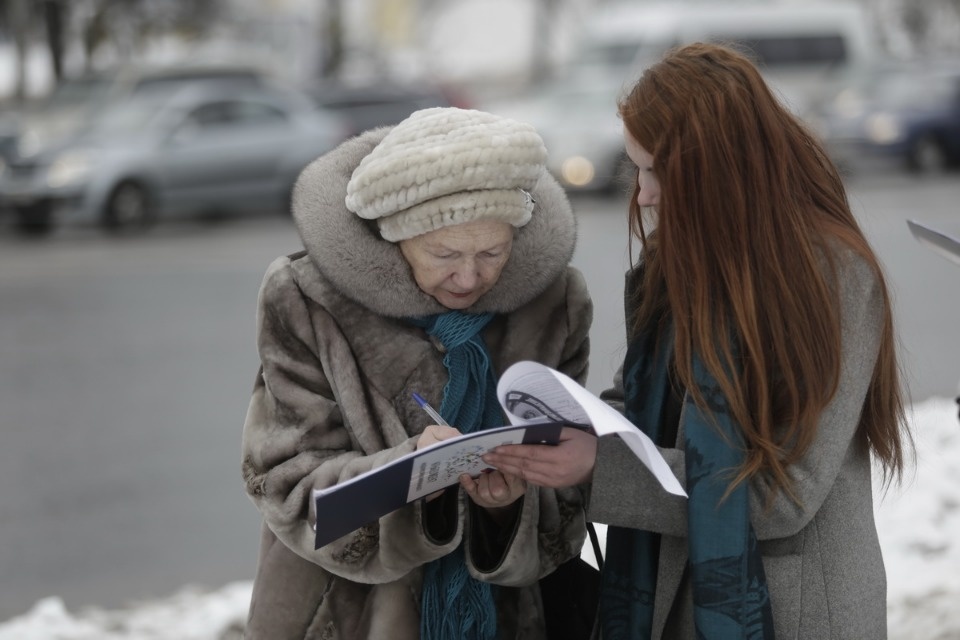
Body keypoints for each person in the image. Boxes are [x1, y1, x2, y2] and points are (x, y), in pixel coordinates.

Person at [483, 43, 911, 639]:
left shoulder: (830, 276)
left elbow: (782, 495)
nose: (644, 194)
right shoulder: (683, 258)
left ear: (716, 168)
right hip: (673, 591)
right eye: (637, 169)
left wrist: (600, 467)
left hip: (789, 611)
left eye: (656, 170)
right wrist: (559, 430)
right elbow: (653, 413)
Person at [239, 106, 593, 640]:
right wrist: (413, 480)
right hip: (342, 614)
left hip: (506, 616)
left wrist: (506, 510)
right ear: (393, 237)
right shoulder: (306, 299)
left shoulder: (554, 304)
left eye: (493, 252)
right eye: (445, 253)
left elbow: (566, 487)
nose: (470, 276)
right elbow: (283, 478)